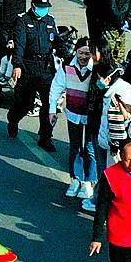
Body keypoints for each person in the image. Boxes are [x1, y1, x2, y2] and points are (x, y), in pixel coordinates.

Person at [7, 0, 58, 150]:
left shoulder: (50, 21)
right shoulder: (23, 21)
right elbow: (19, 45)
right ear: (33, 5)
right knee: (25, 102)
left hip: (46, 68)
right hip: (28, 67)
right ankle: (13, 119)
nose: (43, 10)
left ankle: (45, 137)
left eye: (46, 7)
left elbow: (56, 41)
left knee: (49, 104)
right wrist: (16, 65)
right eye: (40, 7)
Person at [50, 38, 99, 203]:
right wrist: (52, 110)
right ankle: (76, 179)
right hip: (73, 114)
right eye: (81, 53)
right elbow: (56, 87)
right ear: (76, 52)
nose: (84, 56)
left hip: (92, 117)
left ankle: (89, 182)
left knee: (91, 149)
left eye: (87, 53)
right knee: (75, 148)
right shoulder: (66, 68)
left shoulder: (96, 70)